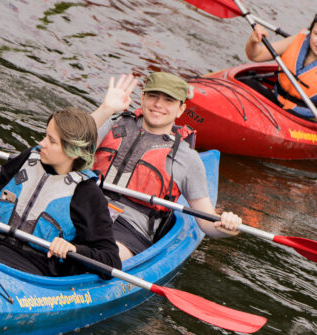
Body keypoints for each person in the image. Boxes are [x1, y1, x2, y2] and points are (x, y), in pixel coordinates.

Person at [0, 108, 121, 277]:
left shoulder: (87, 194)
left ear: (72, 151)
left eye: (51, 140)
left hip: (28, 270)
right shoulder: (29, 159)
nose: (41, 143)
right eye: (45, 135)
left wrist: (74, 249)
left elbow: (111, 260)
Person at [90, 72, 242, 262]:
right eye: (153, 96)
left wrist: (227, 227)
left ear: (180, 109)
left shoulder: (187, 159)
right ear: (143, 98)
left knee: (100, 256)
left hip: (128, 230)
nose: (158, 104)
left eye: (168, 100)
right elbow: (68, 146)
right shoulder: (113, 123)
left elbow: (206, 222)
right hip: (85, 206)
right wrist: (105, 109)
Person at [245, 8, 317, 145]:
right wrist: (254, 41)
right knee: (248, 84)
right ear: (310, 32)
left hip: (302, 122)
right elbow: (256, 55)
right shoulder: (297, 41)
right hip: (277, 103)